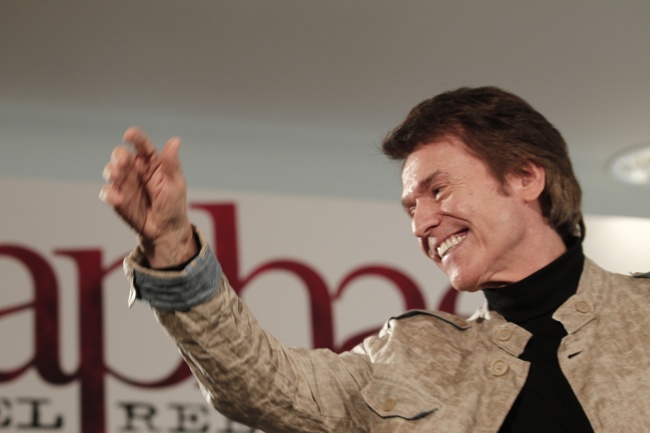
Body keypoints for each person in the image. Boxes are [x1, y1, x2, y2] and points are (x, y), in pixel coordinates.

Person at [100, 87, 650, 432]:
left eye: (438, 190)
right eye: (411, 206)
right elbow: (264, 386)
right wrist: (171, 247)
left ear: (526, 177)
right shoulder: (411, 355)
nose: (420, 223)